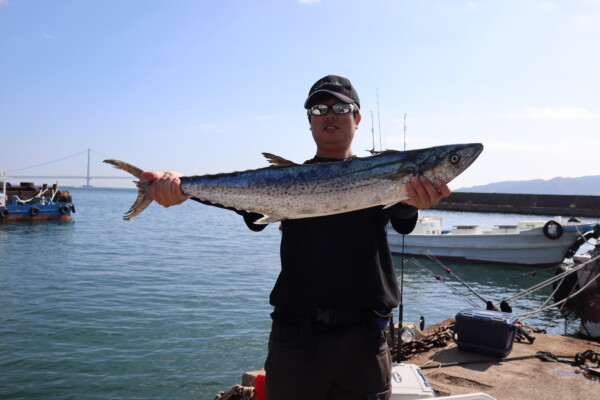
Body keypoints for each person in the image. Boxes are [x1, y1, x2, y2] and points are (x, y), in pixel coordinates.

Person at [141, 75, 450, 400]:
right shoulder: (278, 180)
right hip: (296, 338)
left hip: (365, 339)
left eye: (341, 107)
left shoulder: (385, 173)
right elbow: (248, 209)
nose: (330, 114)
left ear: (357, 118)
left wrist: (415, 200)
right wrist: (180, 186)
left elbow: (403, 221)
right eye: (319, 108)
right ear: (310, 121)